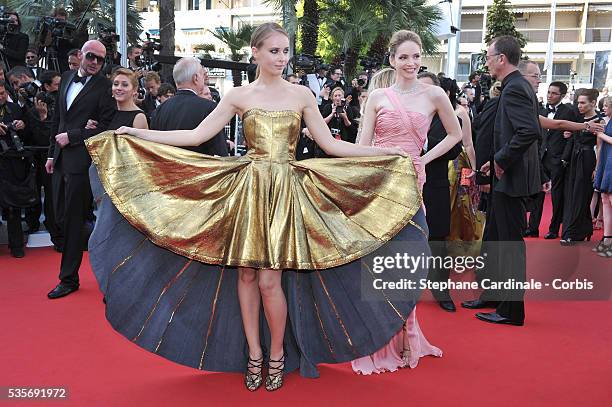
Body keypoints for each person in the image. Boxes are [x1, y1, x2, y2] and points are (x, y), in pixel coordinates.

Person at [86, 23, 429, 392]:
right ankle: (253, 353)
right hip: (248, 191)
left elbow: (333, 146)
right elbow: (195, 136)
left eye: (285, 52)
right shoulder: (238, 95)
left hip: (286, 193)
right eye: (274, 51)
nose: (282, 58)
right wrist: (140, 133)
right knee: (247, 277)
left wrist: (385, 153)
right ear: (256, 53)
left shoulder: (301, 96)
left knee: (269, 281)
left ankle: (277, 354)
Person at [353, 30, 462, 372]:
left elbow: (456, 135)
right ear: (392, 60)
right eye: (404, 57)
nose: (411, 63)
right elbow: (361, 143)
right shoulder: (378, 96)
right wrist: (383, 158)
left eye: (416, 57)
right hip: (381, 183)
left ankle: (407, 336)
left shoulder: (434, 95)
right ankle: (378, 339)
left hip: (414, 183)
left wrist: (425, 159)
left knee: (408, 261)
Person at [474, 35, 542, 326]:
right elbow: (513, 131)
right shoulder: (514, 86)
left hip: (512, 180)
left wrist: (501, 160)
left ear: (501, 58)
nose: (486, 62)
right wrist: (497, 158)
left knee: (509, 245)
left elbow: (528, 132)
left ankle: (512, 311)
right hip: (507, 176)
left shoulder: (515, 88)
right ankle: (494, 295)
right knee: (495, 239)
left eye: (488, 56)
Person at [45, 40, 116, 300]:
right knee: (60, 218)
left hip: (84, 164)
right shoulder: (65, 78)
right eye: (91, 56)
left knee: (74, 220)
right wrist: (52, 154)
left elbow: (106, 127)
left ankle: (68, 278)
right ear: (79, 55)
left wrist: (74, 136)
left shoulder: (105, 88)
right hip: (61, 159)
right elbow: (57, 120)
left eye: (100, 58)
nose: (95, 62)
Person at [418, 71, 463, 312]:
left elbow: (454, 150)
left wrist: (425, 151)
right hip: (404, 187)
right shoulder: (403, 115)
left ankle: (440, 288)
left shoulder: (452, 120)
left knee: (437, 240)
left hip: (435, 186)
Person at [149, 57, 227, 156]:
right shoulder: (209, 108)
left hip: (166, 169)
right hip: (200, 169)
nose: (204, 79)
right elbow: (219, 151)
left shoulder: (159, 111)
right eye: (203, 75)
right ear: (195, 78)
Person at [560, 89, 602, 245]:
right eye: (578, 102)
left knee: (581, 196)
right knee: (571, 195)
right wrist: (571, 134)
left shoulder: (599, 121)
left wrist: (597, 168)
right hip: (574, 159)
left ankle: (573, 233)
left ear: (593, 103)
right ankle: (583, 229)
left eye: (583, 102)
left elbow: (600, 147)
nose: (579, 105)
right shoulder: (579, 119)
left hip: (587, 160)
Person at [594, 96, 612, 256]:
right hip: (606, 163)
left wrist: (600, 135)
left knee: (610, 200)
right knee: (604, 199)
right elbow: (600, 147)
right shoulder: (605, 122)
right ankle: (607, 239)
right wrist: (598, 166)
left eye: (606, 105)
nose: (603, 107)